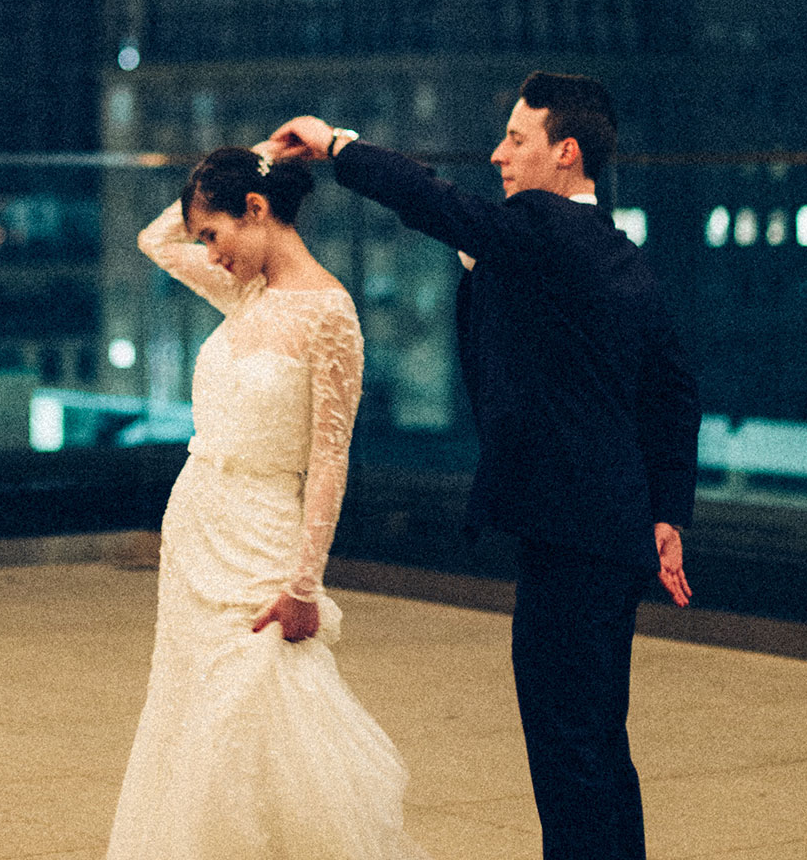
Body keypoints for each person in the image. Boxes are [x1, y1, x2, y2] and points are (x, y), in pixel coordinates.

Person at [267, 72, 701, 860]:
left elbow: (435, 201)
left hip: (568, 531)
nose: (499, 155)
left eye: (517, 139)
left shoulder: (539, 226)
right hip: (614, 530)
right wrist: (668, 513)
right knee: (599, 743)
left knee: (566, 747)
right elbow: (673, 390)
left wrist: (336, 146)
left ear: (566, 153)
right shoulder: (615, 254)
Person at [106, 144, 429, 860]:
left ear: (256, 211)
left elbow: (329, 457)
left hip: (263, 536)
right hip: (197, 528)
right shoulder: (244, 291)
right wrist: (253, 158)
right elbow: (152, 240)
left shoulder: (329, 313)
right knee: (193, 718)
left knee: (256, 710)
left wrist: (305, 582)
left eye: (214, 236)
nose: (209, 256)